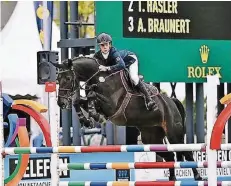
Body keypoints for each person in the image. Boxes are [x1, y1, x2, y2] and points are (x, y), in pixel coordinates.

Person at [94, 32, 157, 111]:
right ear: (99, 46)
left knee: (133, 78)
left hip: (130, 60)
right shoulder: (97, 55)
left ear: (109, 44)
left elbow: (121, 65)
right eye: (102, 45)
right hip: (121, 64)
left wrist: (107, 68)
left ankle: (149, 100)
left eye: (107, 44)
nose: (105, 47)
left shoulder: (113, 52)